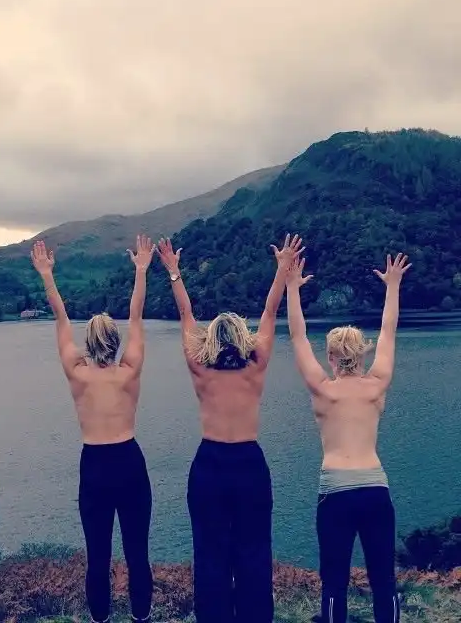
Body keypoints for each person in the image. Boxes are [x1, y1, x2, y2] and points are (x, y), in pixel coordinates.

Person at [156, 233, 305, 623]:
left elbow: (186, 314)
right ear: (241, 336)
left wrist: (174, 272)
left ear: (211, 338)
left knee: (210, 553)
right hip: (248, 464)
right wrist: (281, 269)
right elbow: (270, 312)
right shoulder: (257, 365)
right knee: (254, 551)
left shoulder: (199, 367)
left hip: (209, 465)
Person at [31, 235, 156, 623]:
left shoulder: (77, 372)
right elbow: (136, 316)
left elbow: (61, 319)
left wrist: (47, 275)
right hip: (130, 463)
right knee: (137, 554)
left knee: (97, 556)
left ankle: (100, 619)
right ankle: (141, 618)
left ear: (89, 342)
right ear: (116, 342)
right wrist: (141, 270)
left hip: (95, 467)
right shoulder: (129, 371)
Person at [285, 253, 411, 623]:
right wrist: (392, 286)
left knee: (334, 582)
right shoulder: (376, 385)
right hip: (375, 488)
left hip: (335, 492)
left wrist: (292, 287)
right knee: (383, 580)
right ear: (360, 353)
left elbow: (297, 335)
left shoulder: (323, 389)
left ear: (331, 356)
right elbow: (388, 332)